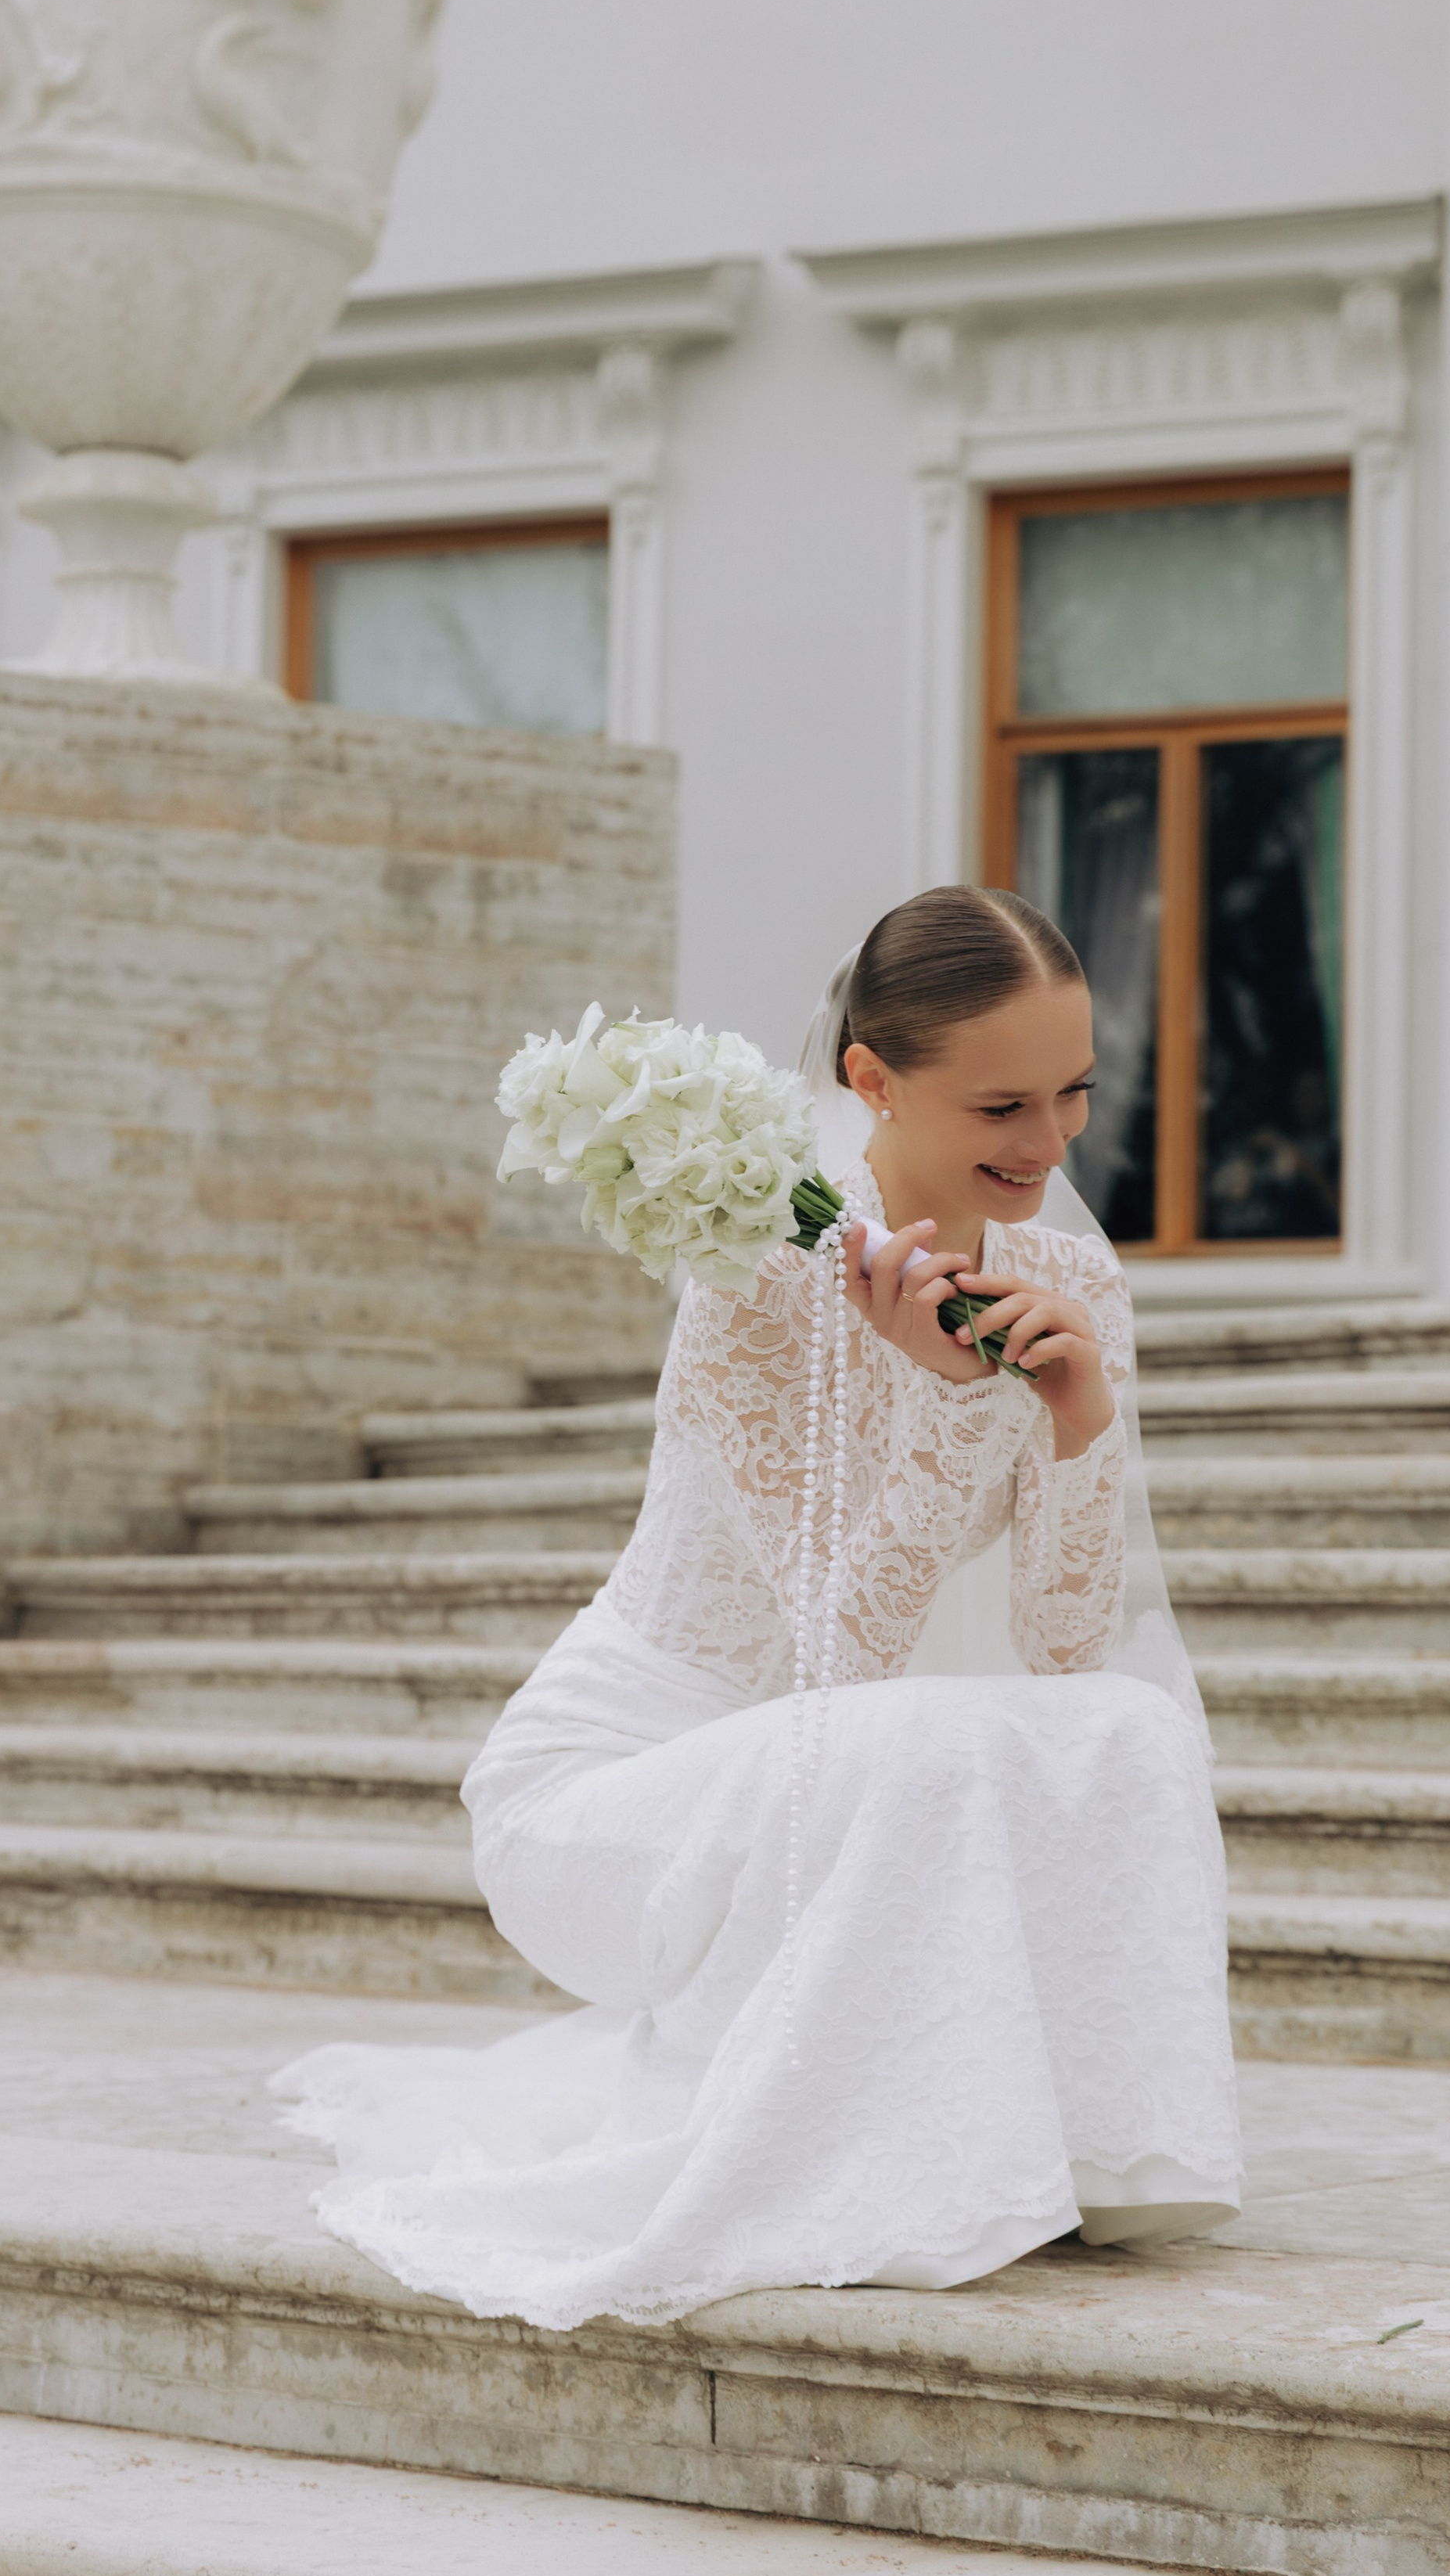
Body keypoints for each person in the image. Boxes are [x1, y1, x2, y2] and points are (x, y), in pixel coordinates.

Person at [275, 887, 1242, 2333]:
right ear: (870, 1082)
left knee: (1129, 1735)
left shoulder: (1066, 1274)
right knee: (920, 1747)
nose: (1049, 1147)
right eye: (1002, 1105)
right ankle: (889, 2151)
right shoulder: (759, 1277)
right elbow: (831, 1667)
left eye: (1074, 1094)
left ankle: (1075, 2145)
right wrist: (944, 1403)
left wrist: (1078, 1412)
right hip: (617, 1794)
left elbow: (1058, 1650)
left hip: (837, 1778)